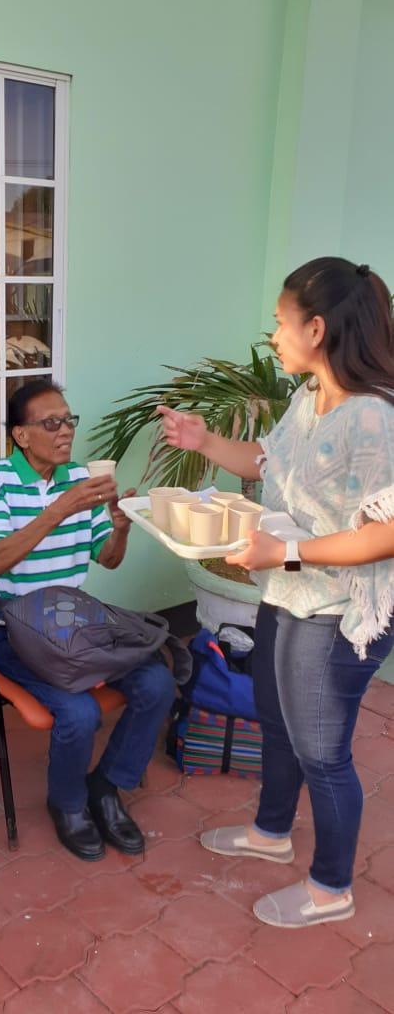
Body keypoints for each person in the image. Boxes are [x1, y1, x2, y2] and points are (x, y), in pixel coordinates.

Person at [159, 256, 394, 928]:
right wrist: (206, 440)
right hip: (288, 592)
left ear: (316, 329)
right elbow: (268, 462)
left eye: (279, 322)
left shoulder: (373, 419)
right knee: (276, 719)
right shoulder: (308, 397)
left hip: (338, 609)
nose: (273, 335)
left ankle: (331, 888)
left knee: (323, 750)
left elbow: (386, 534)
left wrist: (284, 552)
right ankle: (270, 833)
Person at [0, 380, 176, 861]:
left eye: (68, 420)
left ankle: (106, 786)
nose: (65, 431)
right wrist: (62, 508)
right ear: (21, 435)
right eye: (51, 423)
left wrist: (120, 529)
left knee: (157, 683)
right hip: (14, 629)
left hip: (73, 623)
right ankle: (67, 803)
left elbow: (108, 559)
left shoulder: (80, 478)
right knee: (80, 713)